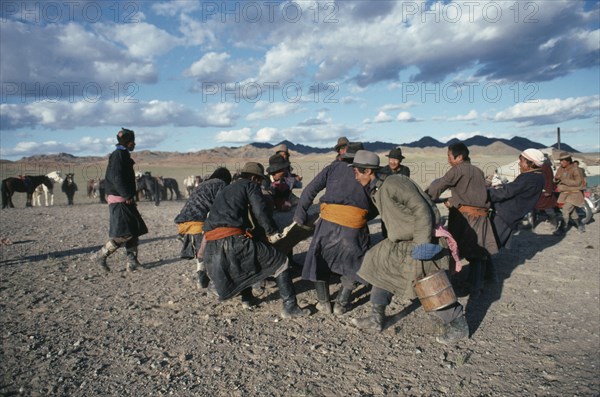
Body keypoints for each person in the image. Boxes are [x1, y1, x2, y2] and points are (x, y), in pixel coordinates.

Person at [349, 150, 468, 344]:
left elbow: (421, 209)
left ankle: (458, 324)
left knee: (429, 283)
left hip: (420, 240)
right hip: (400, 243)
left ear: (368, 171)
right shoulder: (377, 189)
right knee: (379, 266)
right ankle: (376, 317)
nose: (355, 176)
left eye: (357, 172)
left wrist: (422, 244)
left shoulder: (394, 183)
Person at [202, 162, 310, 318]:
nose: (260, 184)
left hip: (212, 245)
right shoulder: (250, 186)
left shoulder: (227, 189)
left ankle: (247, 298)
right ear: (254, 178)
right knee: (281, 262)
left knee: (248, 261)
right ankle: (290, 307)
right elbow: (260, 212)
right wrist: (271, 232)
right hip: (232, 239)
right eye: (259, 180)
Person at [293, 142, 376, 315]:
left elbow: (310, 189)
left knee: (320, 259)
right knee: (355, 262)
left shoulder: (333, 167)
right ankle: (341, 303)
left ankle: (323, 303)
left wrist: (300, 214)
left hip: (327, 224)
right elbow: (377, 203)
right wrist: (361, 216)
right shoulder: (367, 173)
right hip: (354, 228)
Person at [426, 142, 498, 299]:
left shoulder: (457, 169)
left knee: (461, 248)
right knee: (479, 250)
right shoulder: (478, 170)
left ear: (459, 157)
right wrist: (454, 199)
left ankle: (471, 285)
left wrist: (425, 197)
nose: (448, 159)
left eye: (449, 156)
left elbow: (440, 185)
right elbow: (470, 192)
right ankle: (480, 283)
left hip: (466, 218)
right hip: (482, 216)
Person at [92, 128, 148, 272]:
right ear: (128, 143)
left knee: (134, 230)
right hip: (120, 199)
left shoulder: (122, 154)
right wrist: (127, 195)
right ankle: (101, 255)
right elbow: (117, 178)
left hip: (124, 198)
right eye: (132, 142)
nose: (134, 144)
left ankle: (132, 262)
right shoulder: (118, 155)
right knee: (124, 233)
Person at [174, 167, 232, 288]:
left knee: (201, 250)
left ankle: (201, 276)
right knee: (212, 248)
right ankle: (216, 281)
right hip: (198, 222)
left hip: (183, 223)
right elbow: (221, 206)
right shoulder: (220, 184)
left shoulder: (202, 184)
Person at [488, 149, 546, 247]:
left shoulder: (528, 177)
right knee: (493, 243)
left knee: (490, 243)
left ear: (531, 163)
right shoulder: (539, 176)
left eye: (521, 161)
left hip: (505, 215)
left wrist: (485, 193)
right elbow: (515, 187)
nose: (519, 164)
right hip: (514, 214)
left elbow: (506, 192)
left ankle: (482, 262)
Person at [553, 152, 586, 234]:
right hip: (564, 193)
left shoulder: (575, 169)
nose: (561, 162)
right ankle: (580, 224)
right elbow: (556, 178)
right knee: (571, 212)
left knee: (565, 210)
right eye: (560, 161)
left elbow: (578, 182)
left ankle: (562, 229)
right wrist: (556, 179)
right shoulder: (560, 168)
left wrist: (563, 180)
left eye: (563, 161)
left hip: (574, 193)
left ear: (568, 161)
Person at [531, 154, 559, 231]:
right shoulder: (534, 167)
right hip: (536, 191)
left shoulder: (546, 166)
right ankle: (532, 224)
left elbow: (550, 179)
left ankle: (554, 223)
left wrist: (548, 191)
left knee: (548, 208)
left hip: (545, 191)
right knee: (533, 208)